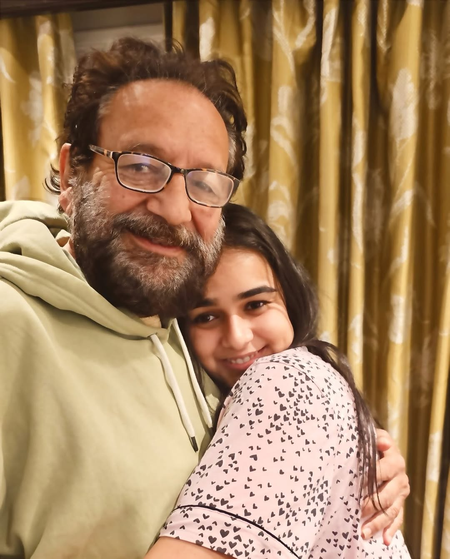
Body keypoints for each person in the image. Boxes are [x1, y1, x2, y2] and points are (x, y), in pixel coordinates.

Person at [0, 38, 407, 558]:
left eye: (205, 182)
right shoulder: (10, 326)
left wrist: (361, 454)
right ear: (71, 171)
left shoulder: (179, 325)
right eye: (140, 165)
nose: (174, 209)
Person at [146, 203, 411, 558]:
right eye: (206, 316)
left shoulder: (284, 381)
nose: (238, 337)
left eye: (255, 304)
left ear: (289, 298)